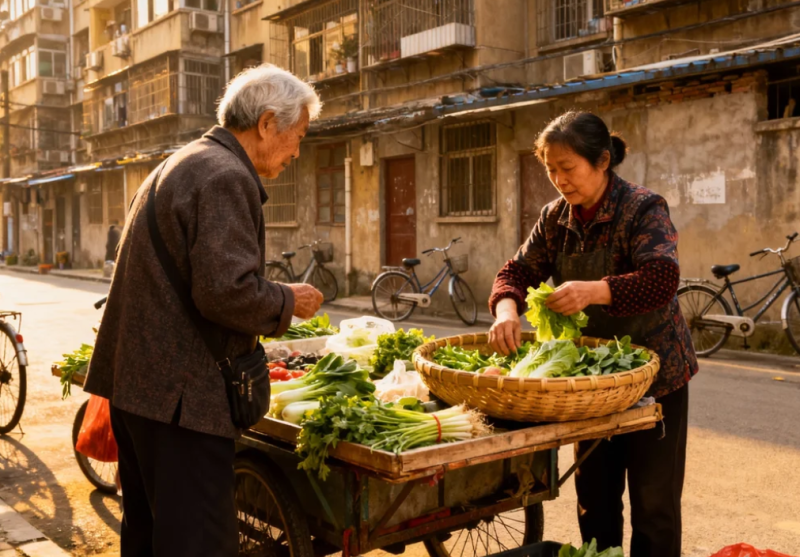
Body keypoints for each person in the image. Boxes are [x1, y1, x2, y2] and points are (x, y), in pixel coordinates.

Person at [83, 64, 324, 556]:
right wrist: (287, 299)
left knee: (150, 537)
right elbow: (224, 292)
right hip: (181, 403)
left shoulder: (186, 161)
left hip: (142, 391)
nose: (297, 151)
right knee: (197, 544)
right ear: (267, 123)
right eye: (298, 136)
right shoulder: (225, 175)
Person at [488, 111, 697, 557]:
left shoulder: (643, 207)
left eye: (568, 167)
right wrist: (506, 309)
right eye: (551, 169)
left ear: (602, 161)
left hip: (655, 379)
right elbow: (517, 271)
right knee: (595, 501)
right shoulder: (554, 218)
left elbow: (662, 278)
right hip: (592, 386)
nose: (559, 180)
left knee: (654, 505)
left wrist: (595, 291)